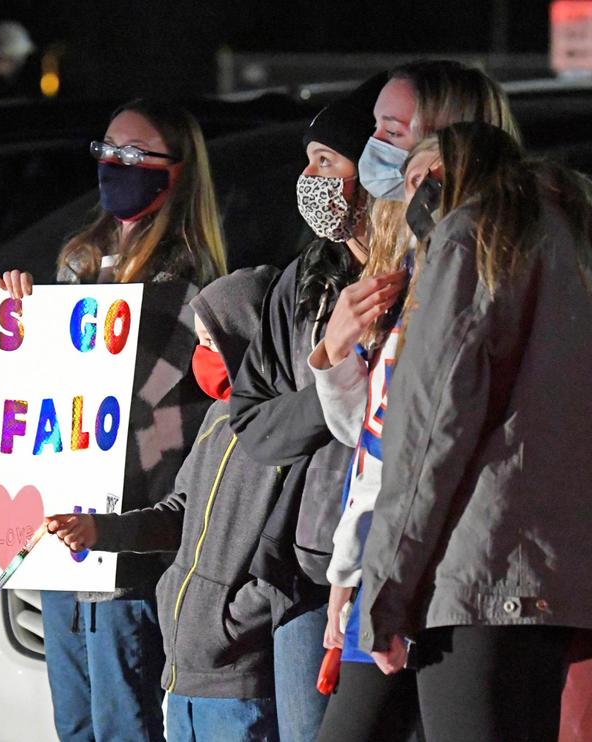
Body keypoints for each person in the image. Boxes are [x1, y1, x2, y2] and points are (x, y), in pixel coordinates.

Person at [355, 121, 592, 741]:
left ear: (439, 178)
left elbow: (429, 433)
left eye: (411, 183)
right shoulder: (587, 252)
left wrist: (384, 593)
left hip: (478, 573)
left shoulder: (470, 241)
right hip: (550, 579)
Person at [0, 98, 227, 742]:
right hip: (66, 517)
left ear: (175, 171)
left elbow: (156, 396)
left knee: (124, 716)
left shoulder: (188, 276)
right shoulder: (81, 256)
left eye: (132, 154)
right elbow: (49, 384)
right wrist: (21, 318)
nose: (113, 165)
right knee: (75, 717)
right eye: (106, 151)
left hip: (128, 517)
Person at [47, 266, 283, 742]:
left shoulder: (279, 432)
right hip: (185, 676)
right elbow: (179, 513)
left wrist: (229, 625)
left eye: (209, 343)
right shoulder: (218, 419)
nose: (199, 358)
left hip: (235, 677)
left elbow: (286, 549)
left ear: (244, 339)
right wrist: (100, 531)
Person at [228, 75, 389, 742]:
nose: (310, 175)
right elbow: (253, 419)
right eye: (308, 159)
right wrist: (332, 379)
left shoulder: (420, 274)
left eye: (327, 160)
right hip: (308, 569)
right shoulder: (306, 282)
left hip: (391, 564)